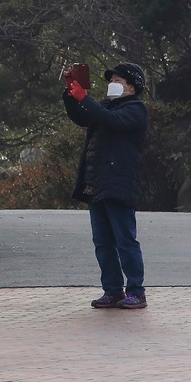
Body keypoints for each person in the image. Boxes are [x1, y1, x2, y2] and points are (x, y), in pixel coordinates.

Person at [63, 62, 150, 309]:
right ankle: (112, 290)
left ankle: (136, 290)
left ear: (133, 87)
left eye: (118, 81)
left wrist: (85, 98)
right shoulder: (105, 106)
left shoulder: (136, 109)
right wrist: (71, 94)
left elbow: (112, 120)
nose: (112, 85)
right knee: (102, 242)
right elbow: (82, 116)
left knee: (125, 239)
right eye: (111, 81)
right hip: (97, 184)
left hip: (119, 183)